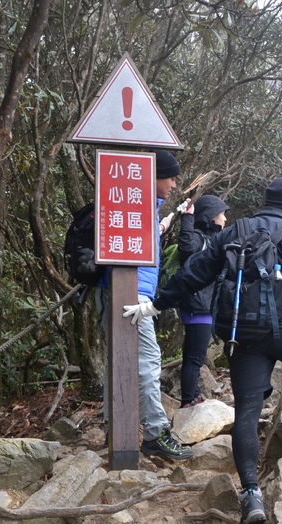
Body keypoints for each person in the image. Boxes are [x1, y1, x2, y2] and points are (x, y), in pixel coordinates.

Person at [124, 176, 282, 524]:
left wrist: (155, 306)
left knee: (247, 409)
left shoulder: (233, 232)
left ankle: (251, 494)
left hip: (242, 332)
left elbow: (195, 273)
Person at [98, 149, 192, 460]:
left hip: (120, 290)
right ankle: (155, 432)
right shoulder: (137, 208)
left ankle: (114, 428)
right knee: (148, 361)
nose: (174, 183)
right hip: (131, 293)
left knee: (118, 357)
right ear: (152, 176)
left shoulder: (137, 207)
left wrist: (168, 219)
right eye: (170, 177)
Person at [176, 194, 228, 408]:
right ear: (210, 215)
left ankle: (192, 395)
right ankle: (189, 399)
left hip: (202, 305)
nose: (225, 219)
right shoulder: (198, 237)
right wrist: (187, 218)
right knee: (194, 357)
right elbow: (186, 247)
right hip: (198, 306)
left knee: (194, 355)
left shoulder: (210, 239)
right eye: (222, 214)